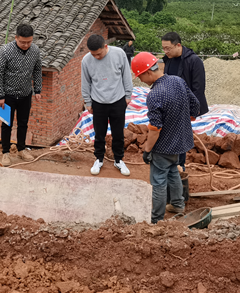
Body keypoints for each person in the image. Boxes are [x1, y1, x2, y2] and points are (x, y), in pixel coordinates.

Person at [132, 52, 200, 223]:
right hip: (180, 142)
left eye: (140, 76)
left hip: (163, 146)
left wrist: (147, 150)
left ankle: (156, 219)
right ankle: (177, 205)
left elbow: (155, 129)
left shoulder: (155, 94)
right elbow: (195, 105)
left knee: (158, 181)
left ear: (148, 72)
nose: (140, 80)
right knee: (173, 171)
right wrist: (182, 120)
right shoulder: (178, 81)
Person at [81, 34, 133, 176]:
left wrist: (128, 95)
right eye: (93, 55)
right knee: (99, 133)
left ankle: (118, 160)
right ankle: (99, 159)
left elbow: (126, 75)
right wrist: (88, 102)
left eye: (99, 54)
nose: (96, 57)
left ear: (105, 46)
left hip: (118, 100)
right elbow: (86, 83)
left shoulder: (119, 54)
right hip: (98, 102)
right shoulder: (86, 60)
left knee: (118, 133)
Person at [0, 24, 42, 167]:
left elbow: (37, 70)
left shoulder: (35, 50)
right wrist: (0, 95)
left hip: (25, 94)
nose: (26, 45)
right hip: (7, 95)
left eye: (29, 42)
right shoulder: (5, 51)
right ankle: (5, 152)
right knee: (6, 124)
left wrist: (37, 90)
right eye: (22, 42)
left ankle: (21, 149)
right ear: (16, 38)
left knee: (23, 123)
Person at [161, 32, 208, 170]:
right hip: (170, 105)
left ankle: (179, 168)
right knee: (169, 135)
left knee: (180, 137)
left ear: (178, 45)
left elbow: (198, 88)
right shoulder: (168, 60)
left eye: (168, 48)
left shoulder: (194, 61)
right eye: (163, 48)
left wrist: (193, 110)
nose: (165, 51)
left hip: (185, 107)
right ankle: (170, 165)